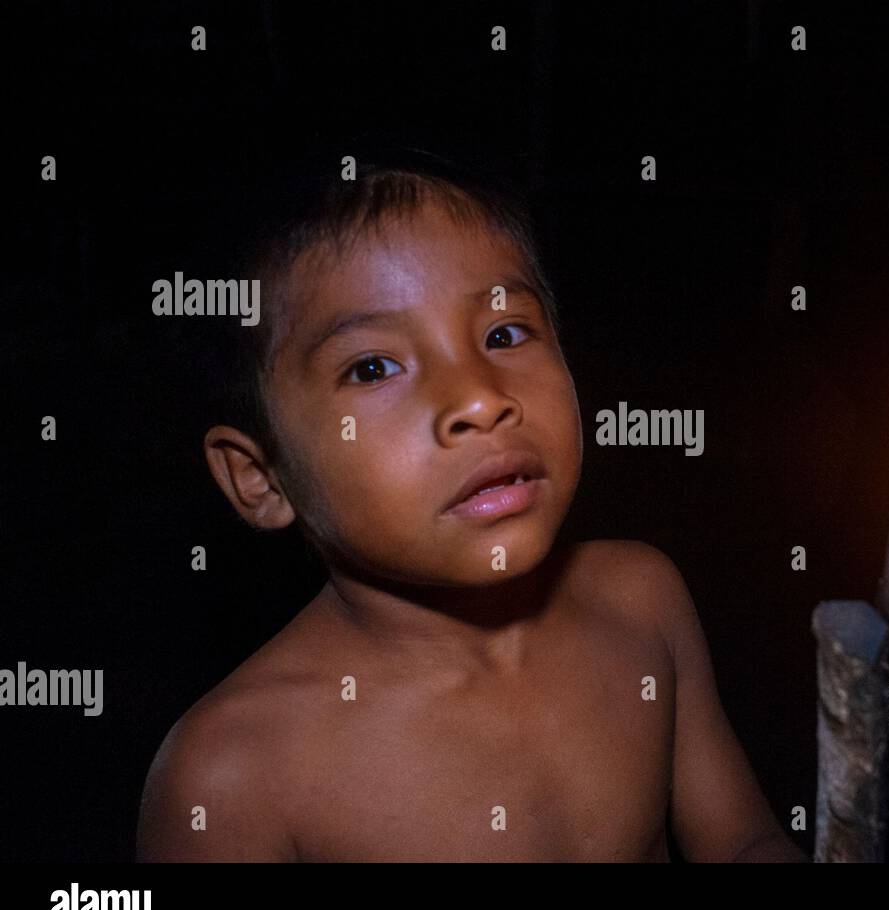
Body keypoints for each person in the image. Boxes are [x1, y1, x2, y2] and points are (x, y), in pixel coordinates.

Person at [136, 150, 806, 862]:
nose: (481, 398)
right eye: (373, 367)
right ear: (260, 478)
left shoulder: (642, 601)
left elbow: (740, 838)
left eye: (504, 333)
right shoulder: (232, 777)